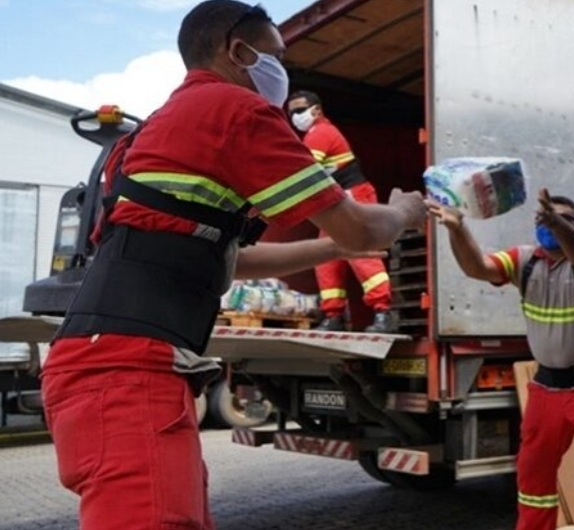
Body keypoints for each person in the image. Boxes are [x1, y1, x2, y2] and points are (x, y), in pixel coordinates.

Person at [39, 2, 426, 529]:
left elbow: (233, 259)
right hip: (127, 374)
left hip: (116, 366)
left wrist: (336, 248)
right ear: (239, 52)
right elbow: (360, 225)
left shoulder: (161, 128)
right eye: (277, 56)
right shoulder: (234, 111)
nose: (283, 74)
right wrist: (403, 213)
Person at [427, 189, 574, 530]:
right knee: (533, 471)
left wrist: (560, 226)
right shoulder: (525, 261)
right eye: (544, 218)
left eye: (564, 220)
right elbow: (477, 267)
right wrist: (457, 228)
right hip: (548, 384)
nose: (550, 224)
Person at [287, 90, 396, 332]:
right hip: (338, 202)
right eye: (291, 112)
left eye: (299, 110)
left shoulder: (320, 133)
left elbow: (304, 173)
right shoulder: (315, 135)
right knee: (326, 260)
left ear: (316, 110)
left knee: (362, 254)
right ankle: (333, 315)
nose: (296, 116)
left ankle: (384, 313)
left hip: (354, 196)